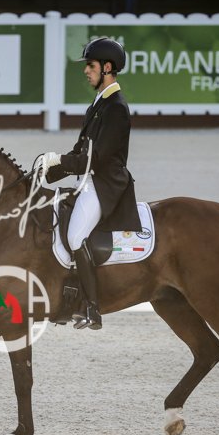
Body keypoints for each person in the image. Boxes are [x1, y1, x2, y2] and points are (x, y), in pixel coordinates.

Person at [40, 37, 142, 330]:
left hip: (105, 185)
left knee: (75, 237)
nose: (86, 71)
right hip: (88, 180)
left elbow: (96, 159)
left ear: (107, 68)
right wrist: (48, 172)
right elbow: (79, 152)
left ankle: (91, 308)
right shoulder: (98, 104)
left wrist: (59, 160)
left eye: (91, 65)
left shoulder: (116, 108)